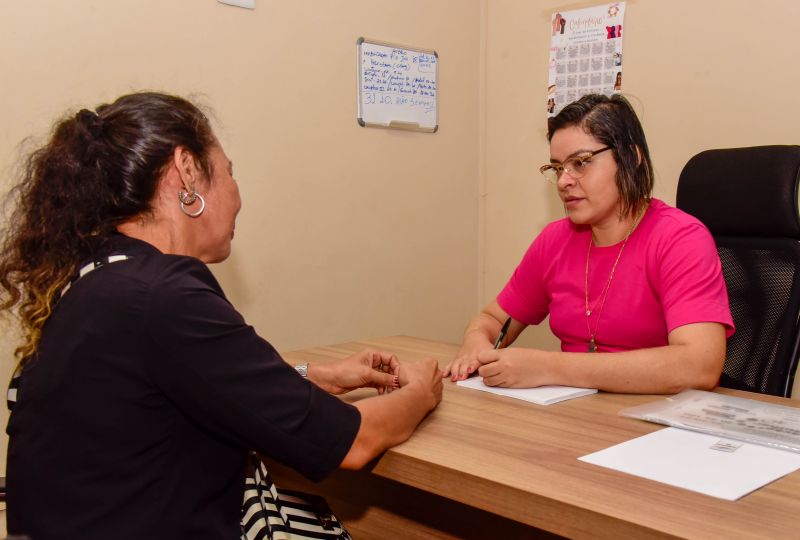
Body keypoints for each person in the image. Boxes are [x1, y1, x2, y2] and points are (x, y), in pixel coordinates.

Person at [0, 92, 443, 539]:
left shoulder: (96, 280)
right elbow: (355, 442)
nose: (237, 197)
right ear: (187, 171)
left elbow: (194, 384)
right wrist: (423, 391)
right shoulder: (164, 297)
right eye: (229, 172)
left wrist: (319, 376)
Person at [444, 94, 733, 394]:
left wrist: (548, 367)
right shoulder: (554, 240)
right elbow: (492, 319)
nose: (563, 181)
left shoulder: (680, 238)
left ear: (631, 158)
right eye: (557, 168)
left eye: (580, 163)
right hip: (578, 419)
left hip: (656, 424)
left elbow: (699, 366)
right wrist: (475, 343)